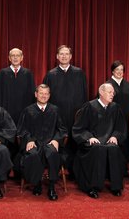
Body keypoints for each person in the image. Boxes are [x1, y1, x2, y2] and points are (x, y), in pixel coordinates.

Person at [72, 83, 127, 198]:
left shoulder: (115, 108)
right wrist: (89, 137)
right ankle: (93, 187)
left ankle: (116, 186)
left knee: (114, 149)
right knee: (97, 149)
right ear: (101, 92)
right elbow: (79, 128)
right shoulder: (89, 106)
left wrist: (115, 136)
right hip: (93, 142)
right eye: (110, 92)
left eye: (113, 92)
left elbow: (120, 127)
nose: (113, 94)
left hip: (109, 141)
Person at [43, 45, 87, 178]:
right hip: (57, 115)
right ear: (57, 56)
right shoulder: (50, 74)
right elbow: (45, 96)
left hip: (75, 114)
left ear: (71, 56)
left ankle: (75, 171)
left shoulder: (79, 73)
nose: (64, 56)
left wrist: (83, 113)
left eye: (66, 54)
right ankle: (55, 170)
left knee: (74, 141)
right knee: (58, 139)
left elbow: (84, 94)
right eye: (61, 54)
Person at [17, 84, 67, 201]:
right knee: (33, 154)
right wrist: (29, 140)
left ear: (49, 96)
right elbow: (22, 130)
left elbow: (62, 129)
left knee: (53, 154)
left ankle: (51, 186)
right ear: (36, 94)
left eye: (46, 94)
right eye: (41, 93)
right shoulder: (28, 111)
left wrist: (56, 140)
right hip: (35, 142)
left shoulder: (55, 110)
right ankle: (37, 183)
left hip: (50, 142)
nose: (43, 96)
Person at [0, 48, 35, 176]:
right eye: (13, 56)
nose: (15, 58)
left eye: (18, 56)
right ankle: (4, 172)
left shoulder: (28, 74)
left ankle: (20, 172)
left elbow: (33, 96)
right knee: (7, 142)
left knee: (22, 141)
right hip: (7, 114)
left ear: (22, 58)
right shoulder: (2, 74)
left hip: (23, 115)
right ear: (9, 58)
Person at [106, 60, 129, 161]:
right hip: (113, 120)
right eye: (117, 69)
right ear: (112, 71)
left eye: (122, 70)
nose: (120, 72)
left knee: (127, 140)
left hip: (127, 118)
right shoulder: (107, 85)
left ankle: (127, 161)